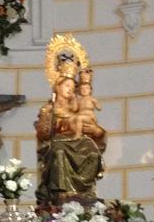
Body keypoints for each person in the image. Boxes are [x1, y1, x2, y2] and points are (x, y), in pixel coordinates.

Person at [35, 65, 107, 205]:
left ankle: (84, 194)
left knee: (92, 152)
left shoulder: (77, 107)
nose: (70, 89)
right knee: (59, 151)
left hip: (78, 140)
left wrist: (97, 131)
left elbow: (95, 129)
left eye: (73, 87)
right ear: (57, 86)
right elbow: (43, 134)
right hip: (58, 141)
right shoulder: (48, 108)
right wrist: (49, 122)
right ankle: (61, 193)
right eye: (67, 85)